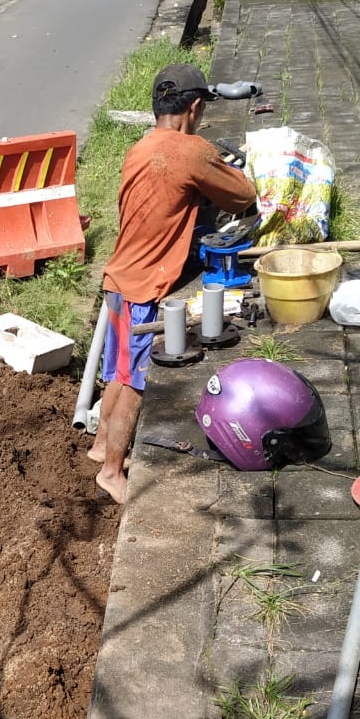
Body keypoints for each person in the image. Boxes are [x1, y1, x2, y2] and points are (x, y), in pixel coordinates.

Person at [86, 64, 257, 504]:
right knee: (135, 384)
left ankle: (102, 446)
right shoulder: (191, 151)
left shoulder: (141, 146)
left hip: (120, 278)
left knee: (118, 374)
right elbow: (242, 196)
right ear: (195, 108)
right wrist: (221, 166)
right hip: (144, 287)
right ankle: (110, 472)